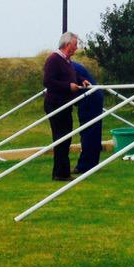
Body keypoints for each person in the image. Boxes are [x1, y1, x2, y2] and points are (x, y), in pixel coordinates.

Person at [42, 32, 88, 181]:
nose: (76, 48)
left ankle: (63, 172)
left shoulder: (67, 61)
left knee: (66, 138)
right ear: (68, 45)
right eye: (75, 45)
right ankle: (60, 173)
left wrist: (82, 81)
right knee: (61, 138)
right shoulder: (54, 59)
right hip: (55, 104)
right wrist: (68, 87)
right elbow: (48, 81)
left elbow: (72, 76)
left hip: (65, 104)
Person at [72, 59, 105, 174]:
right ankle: (92, 163)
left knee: (88, 132)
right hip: (94, 97)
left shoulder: (69, 68)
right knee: (93, 132)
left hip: (89, 99)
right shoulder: (73, 66)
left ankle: (85, 165)